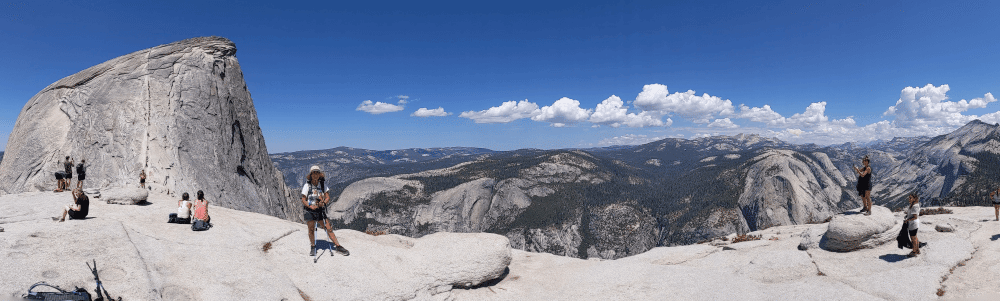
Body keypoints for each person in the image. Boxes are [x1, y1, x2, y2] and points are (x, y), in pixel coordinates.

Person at [302, 166, 349, 256]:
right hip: (310, 211)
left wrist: (324, 203)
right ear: (311, 175)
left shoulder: (323, 185)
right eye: (313, 173)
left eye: (317, 173)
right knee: (311, 229)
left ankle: (338, 246)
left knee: (328, 228)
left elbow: (327, 197)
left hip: (320, 210)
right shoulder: (307, 186)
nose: (315, 175)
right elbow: (303, 199)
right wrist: (310, 206)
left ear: (320, 174)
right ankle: (313, 246)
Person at [905, 192, 921, 257]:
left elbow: (915, 217)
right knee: (915, 237)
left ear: (914, 198)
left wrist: (907, 220)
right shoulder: (914, 205)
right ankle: (917, 250)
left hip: (913, 225)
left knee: (913, 239)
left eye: (910, 198)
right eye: (909, 198)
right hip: (914, 224)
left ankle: (914, 252)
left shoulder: (914, 206)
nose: (909, 199)